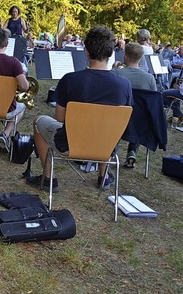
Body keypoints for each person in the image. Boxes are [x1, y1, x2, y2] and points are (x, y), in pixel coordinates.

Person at [29, 26, 133, 192]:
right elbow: (121, 124)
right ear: (111, 52)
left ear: (86, 51)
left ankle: (47, 178)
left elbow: (60, 119)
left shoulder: (70, 80)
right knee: (107, 129)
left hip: (71, 144)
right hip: (106, 147)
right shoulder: (125, 85)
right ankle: (103, 176)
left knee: (38, 121)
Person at [112, 42, 157, 167]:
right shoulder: (149, 79)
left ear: (125, 57)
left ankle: (111, 148)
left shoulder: (116, 73)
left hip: (117, 119)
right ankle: (132, 150)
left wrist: (114, 67)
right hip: (139, 122)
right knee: (139, 113)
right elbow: (152, 101)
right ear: (141, 58)